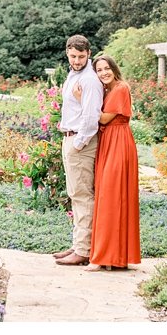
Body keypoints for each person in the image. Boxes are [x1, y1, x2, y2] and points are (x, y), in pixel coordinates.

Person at [52, 34, 104, 266]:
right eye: (73, 56)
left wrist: (79, 143)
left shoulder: (90, 79)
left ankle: (83, 250)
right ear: (67, 53)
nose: (77, 60)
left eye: (81, 57)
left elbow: (92, 116)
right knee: (75, 193)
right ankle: (77, 243)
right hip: (70, 139)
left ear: (89, 54)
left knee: (82, 195)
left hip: (79, 143)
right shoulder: (74, 75)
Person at [88, 53, 141, 270]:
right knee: (110, 197)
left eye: (106, 68)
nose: (103, 73)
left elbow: (102, 118)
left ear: (114, 68)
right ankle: (113, 257)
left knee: (111, 196)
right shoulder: (107, 90)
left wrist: (84, 99)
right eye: (99, 70)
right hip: (109, 142)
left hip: (118, 142)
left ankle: (104, 257)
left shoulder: (120, 88)